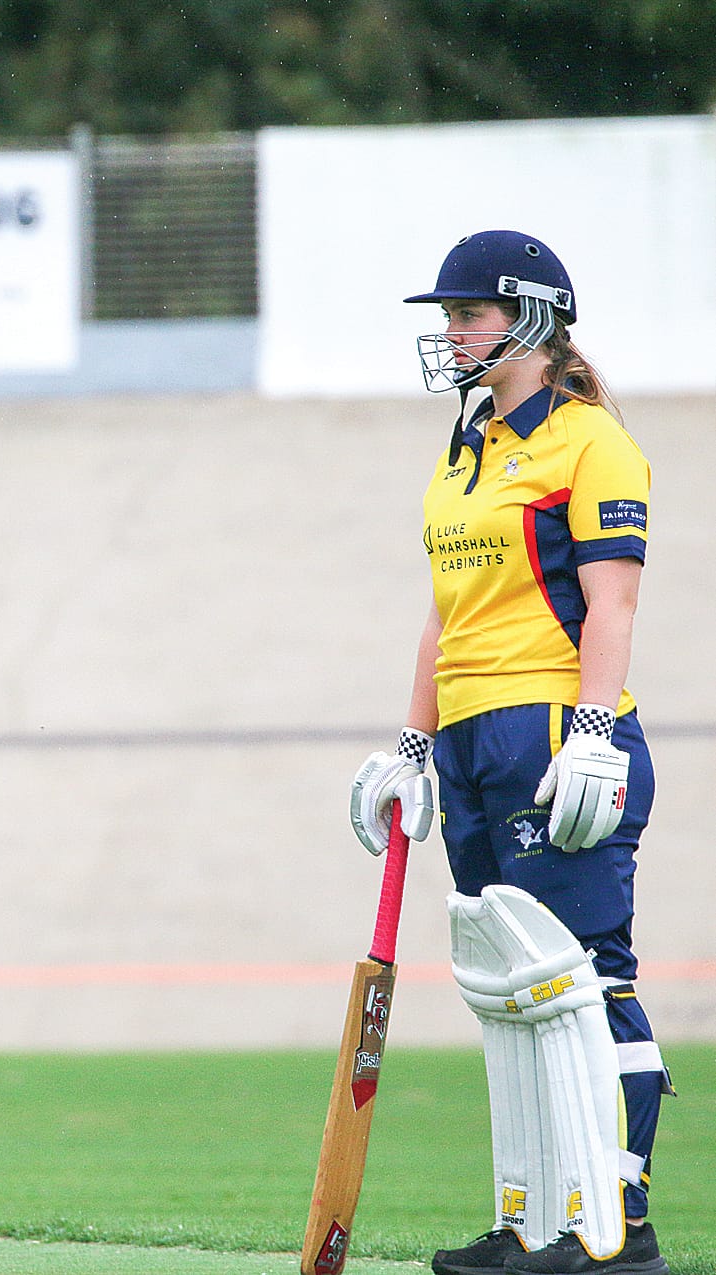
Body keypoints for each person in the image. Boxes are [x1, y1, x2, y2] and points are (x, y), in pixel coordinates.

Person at [349, 231, 671, 1275]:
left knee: (583, 979)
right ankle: (534, 1219)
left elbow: (611, 603)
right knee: (508, 991)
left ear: (529, 318)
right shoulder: (464, 450)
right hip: (470, 738)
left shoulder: (589, 443)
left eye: (466, 316)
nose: (448, 335)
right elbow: (443, 617)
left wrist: (587, 734)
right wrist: (410, 742)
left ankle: (612, 1226)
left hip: (551, 726)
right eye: (444, 319)